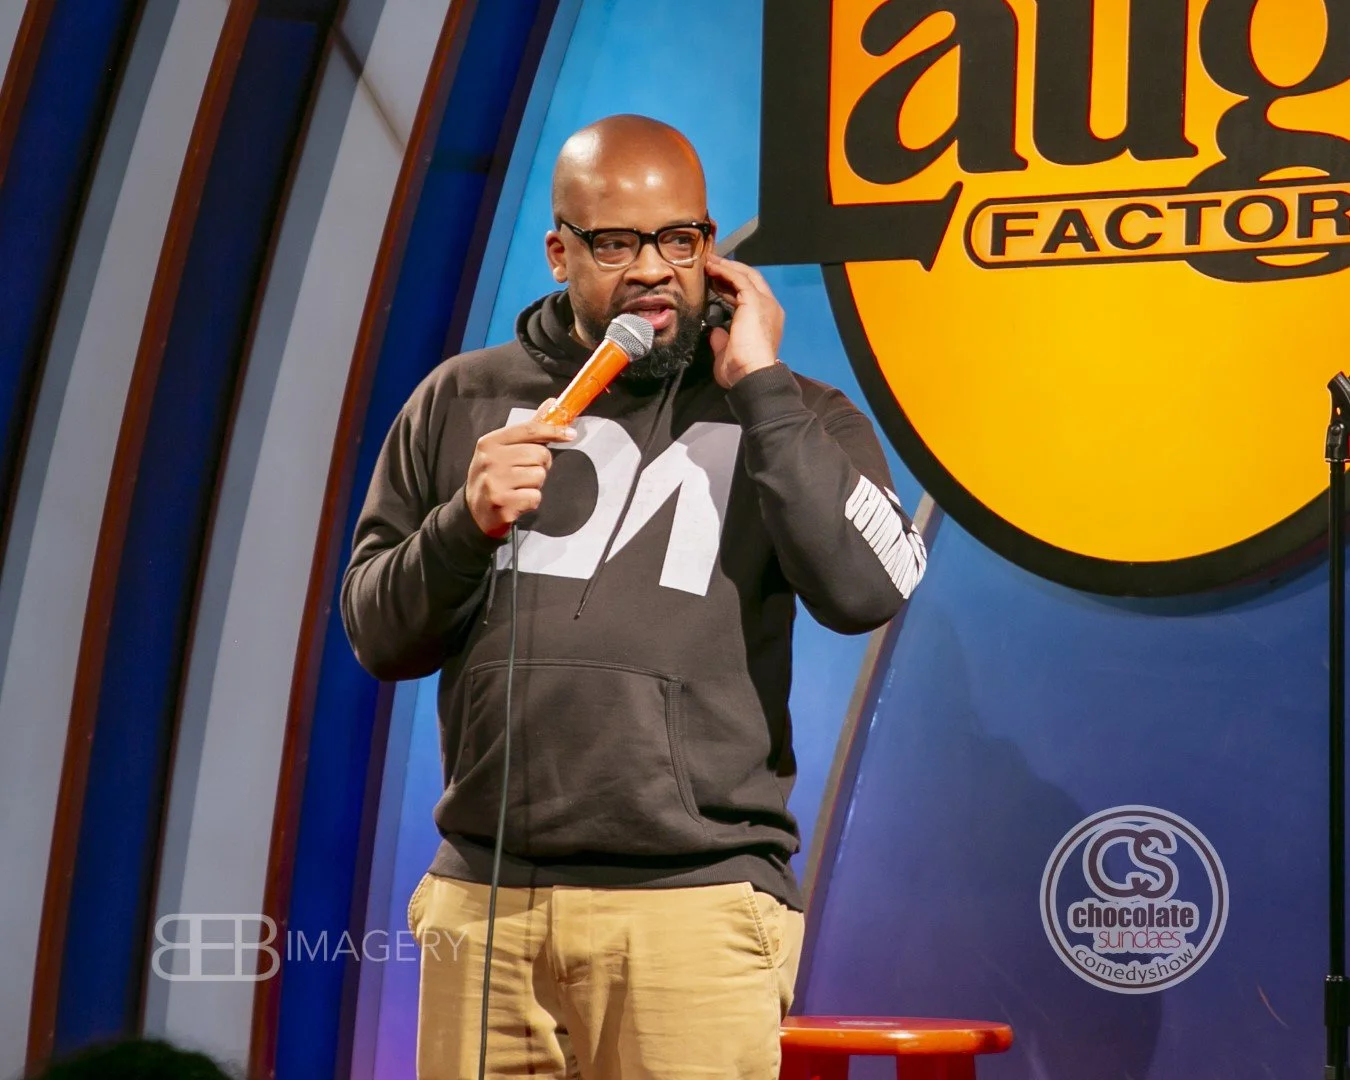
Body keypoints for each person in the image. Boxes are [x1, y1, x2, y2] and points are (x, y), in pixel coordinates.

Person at [341, 114, 927, 1080]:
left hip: (693, 907)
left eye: (679, 240)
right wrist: (463, 525)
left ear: (711, 247)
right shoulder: (460, 400)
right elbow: (377, 634)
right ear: (559, 252)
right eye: (616, 244)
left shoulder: (796, 414)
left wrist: (762, 389)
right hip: (485, 904)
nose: (654, 269)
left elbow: (869, 591)